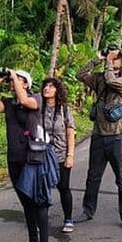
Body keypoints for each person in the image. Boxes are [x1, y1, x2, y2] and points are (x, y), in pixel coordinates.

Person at [0, 68, 54, 242]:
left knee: (39, 202)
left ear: (26, 84)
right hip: (15, 159)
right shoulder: (8, 103)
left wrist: (14, 75)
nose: (12, 82)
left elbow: (24, 101)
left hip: (34, 158)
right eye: (12, 80)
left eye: (18, 80)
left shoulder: (36, 98)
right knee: (26, 202)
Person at [76, 47, 122, 231]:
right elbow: (80, 74)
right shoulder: (99, 78)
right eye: (112, 57)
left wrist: (108, 63)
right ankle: (87, 211)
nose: (111, 59)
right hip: (98, 135)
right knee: (93, 177)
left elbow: (111, 82)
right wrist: (97, 58)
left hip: (118, 136)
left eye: (116, 58)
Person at [40, 77, 76, 233]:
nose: (46, 89)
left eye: (51, 86)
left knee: (63, 187)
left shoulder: (64, 109)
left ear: (57, 90)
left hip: (61, 154)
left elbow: (70, 133)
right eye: (45, 86)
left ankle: (68, 219)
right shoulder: (38, 108)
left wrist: (70, 155)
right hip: (42, 154)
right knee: (42, 188)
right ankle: (41, 220)